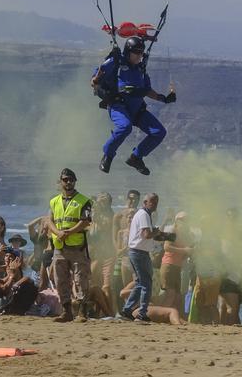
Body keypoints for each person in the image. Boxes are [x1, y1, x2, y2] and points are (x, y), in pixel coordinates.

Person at [93, 36, 177, 176]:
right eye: (136, 53)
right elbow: (95, 80)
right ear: (128, 51)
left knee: (159, 132)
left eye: (141, 53)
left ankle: (136, 158)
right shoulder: (116, 62)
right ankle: (108, 155)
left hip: (136, 109)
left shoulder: (141, 69)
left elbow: (147, 90)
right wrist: (95, 80)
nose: (139, 56)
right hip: (118, 105)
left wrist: (164, 99)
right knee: (125, 127)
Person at [48, 168, 92, 323]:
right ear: (60, 182)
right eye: (65, 179)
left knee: (81, 280)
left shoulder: (84, 200)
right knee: (60, 280)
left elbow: (85, 221)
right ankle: (66, 311)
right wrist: (58, 233)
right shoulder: (54, 201)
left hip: (77, 247)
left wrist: (69, 232)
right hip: (59, 246)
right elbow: (50, 221)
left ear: (75, 181)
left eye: (71, 179)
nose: (68, 182)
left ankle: (82, 312)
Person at [122, 191, 167, 322]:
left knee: (139, 283)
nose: (154, 204)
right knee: (146, 283)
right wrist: (157, 231)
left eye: (156, 202)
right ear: (145, 202)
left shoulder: (143, 214)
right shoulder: (143, 214)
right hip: (139, 253)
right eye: (152, 201)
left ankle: (127, 310)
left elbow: (147, 235)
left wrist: (161, 235)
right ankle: (142, 313)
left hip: (138, 252)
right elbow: (146, 234)